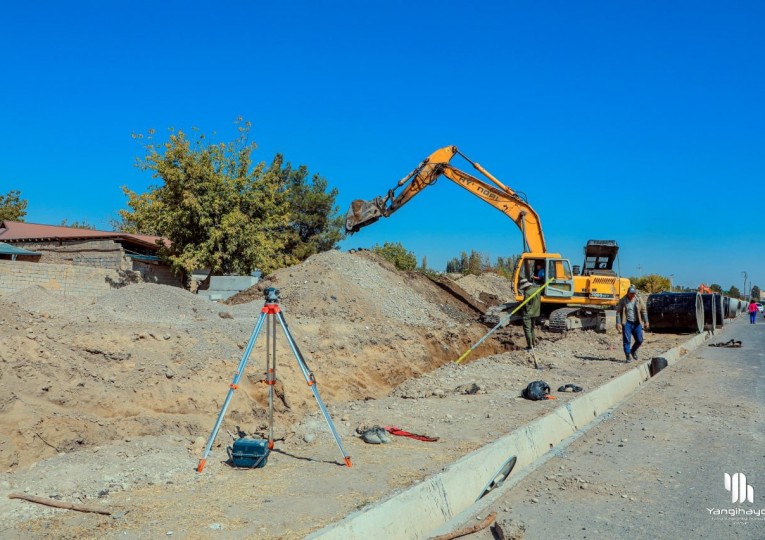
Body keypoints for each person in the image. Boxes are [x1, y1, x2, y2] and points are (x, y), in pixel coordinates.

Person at [615, 285, 649, 363]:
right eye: (631, 293)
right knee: (627, 340)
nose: (632, 295)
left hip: (637, 323)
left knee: (639, 340)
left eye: (634, 293)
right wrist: (618, 323)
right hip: (627, 323)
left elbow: (644, 310)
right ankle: (627, 355)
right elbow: (618, 312)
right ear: (628, 293)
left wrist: (646, 321)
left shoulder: (638, 299)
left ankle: (633, 351)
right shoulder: (623, 300)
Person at [519, 278, 541, 350]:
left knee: (527, 329)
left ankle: (529, 346)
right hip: (536, 312)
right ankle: (533, 344)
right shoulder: (537, 289)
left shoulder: (527, 292)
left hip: (528, 313)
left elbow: (526, 304)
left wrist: (522, 307)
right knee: (532, 329)